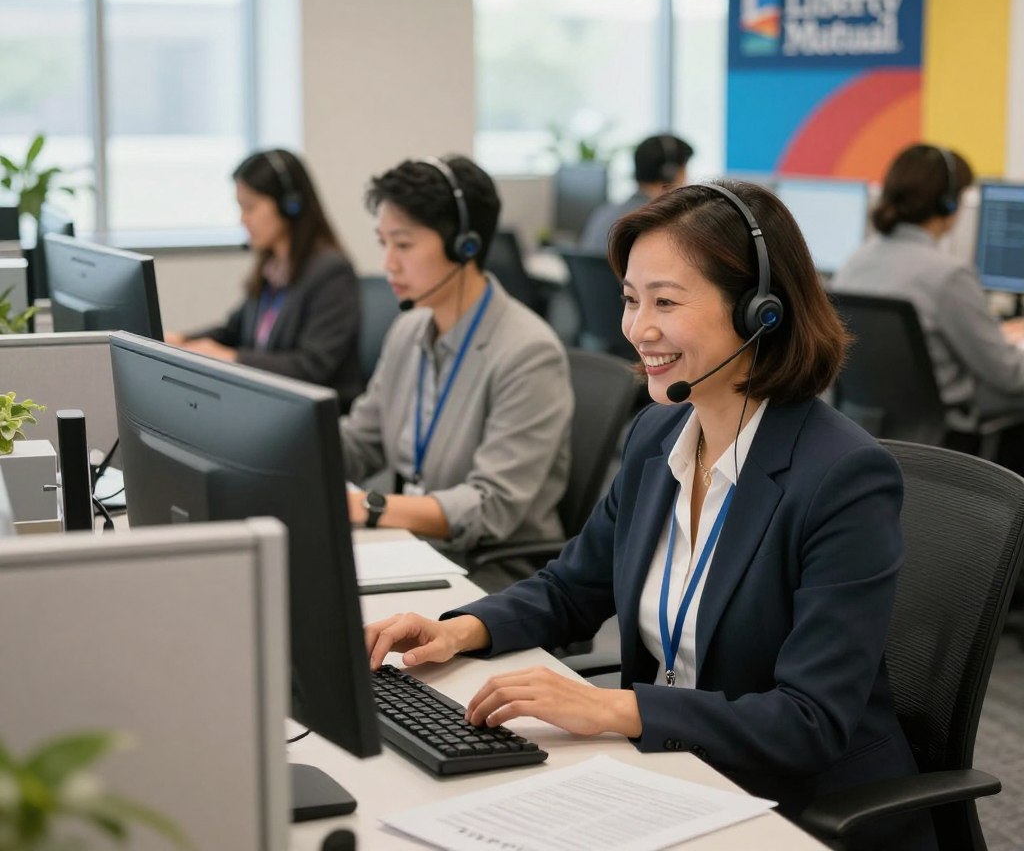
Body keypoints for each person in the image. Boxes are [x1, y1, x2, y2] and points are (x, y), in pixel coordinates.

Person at [364, 180, 937, 851]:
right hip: (666, 776)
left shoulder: (841, 478)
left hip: (795, 809)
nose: (638, 329)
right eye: (632, 300)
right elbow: (572, 587)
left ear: (760, 313)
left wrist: (614, 707)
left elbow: (808, 721)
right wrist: (457, 630)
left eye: (666, 301)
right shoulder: (656, 439)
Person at [342, 155, 573, 592]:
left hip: (494, 573)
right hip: (418, 547)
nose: (388, 262)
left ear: (465, 245)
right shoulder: (409, 329)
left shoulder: (528, 351)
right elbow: (360, 442)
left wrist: (368, 507)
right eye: (383, 243)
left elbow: (491, 506)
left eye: (404, 245)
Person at [832, 144, 1024, 433]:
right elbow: (1009, 375)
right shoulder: (949, 276)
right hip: (944, 431)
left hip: (871, 431)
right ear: (949, 203)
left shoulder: (852, 264)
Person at [166, 148, 363, 411]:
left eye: (251, 207)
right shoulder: (272, 267)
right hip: (270, 407)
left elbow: (311, 366)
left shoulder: (331, 272)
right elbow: (233, 331)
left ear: (289, 204)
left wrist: (232, 357)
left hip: (317, 418)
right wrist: (182, 340)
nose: (243, 219)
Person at [579, 133, 693, 253]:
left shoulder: (603, 214)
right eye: (685, 170)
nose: (687, 178)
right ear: (669, 173)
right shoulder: (661, 223)